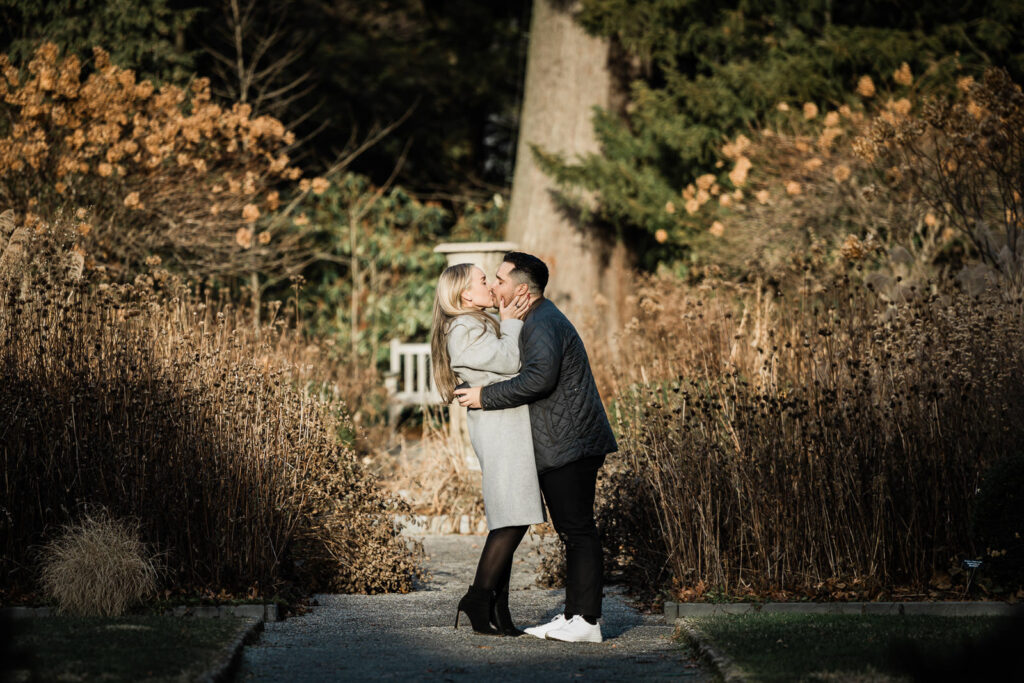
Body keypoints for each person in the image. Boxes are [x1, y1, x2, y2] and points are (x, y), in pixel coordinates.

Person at [455, 252, 618, 644]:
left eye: (499, 279)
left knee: (578, 530)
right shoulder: (534, 318)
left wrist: (484, 395)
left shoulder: (542, 323)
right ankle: (574, 616)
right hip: (562, 441)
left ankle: (587, 622)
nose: (494, 285)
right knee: (572, 530)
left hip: (571, 442)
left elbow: (538, 380)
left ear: (520, 289)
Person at [430, 262, 544, 636]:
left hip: (506, 428)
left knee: (513, 515)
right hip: (499, 432)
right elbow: (510, 360)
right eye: (483, 281)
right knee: (511, 518)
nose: (491, 287)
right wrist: (510, 320)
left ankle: (498, 608)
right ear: (465, 294)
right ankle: (479, 597)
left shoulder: (477, 323)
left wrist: (503, 318)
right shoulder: (463, 328)